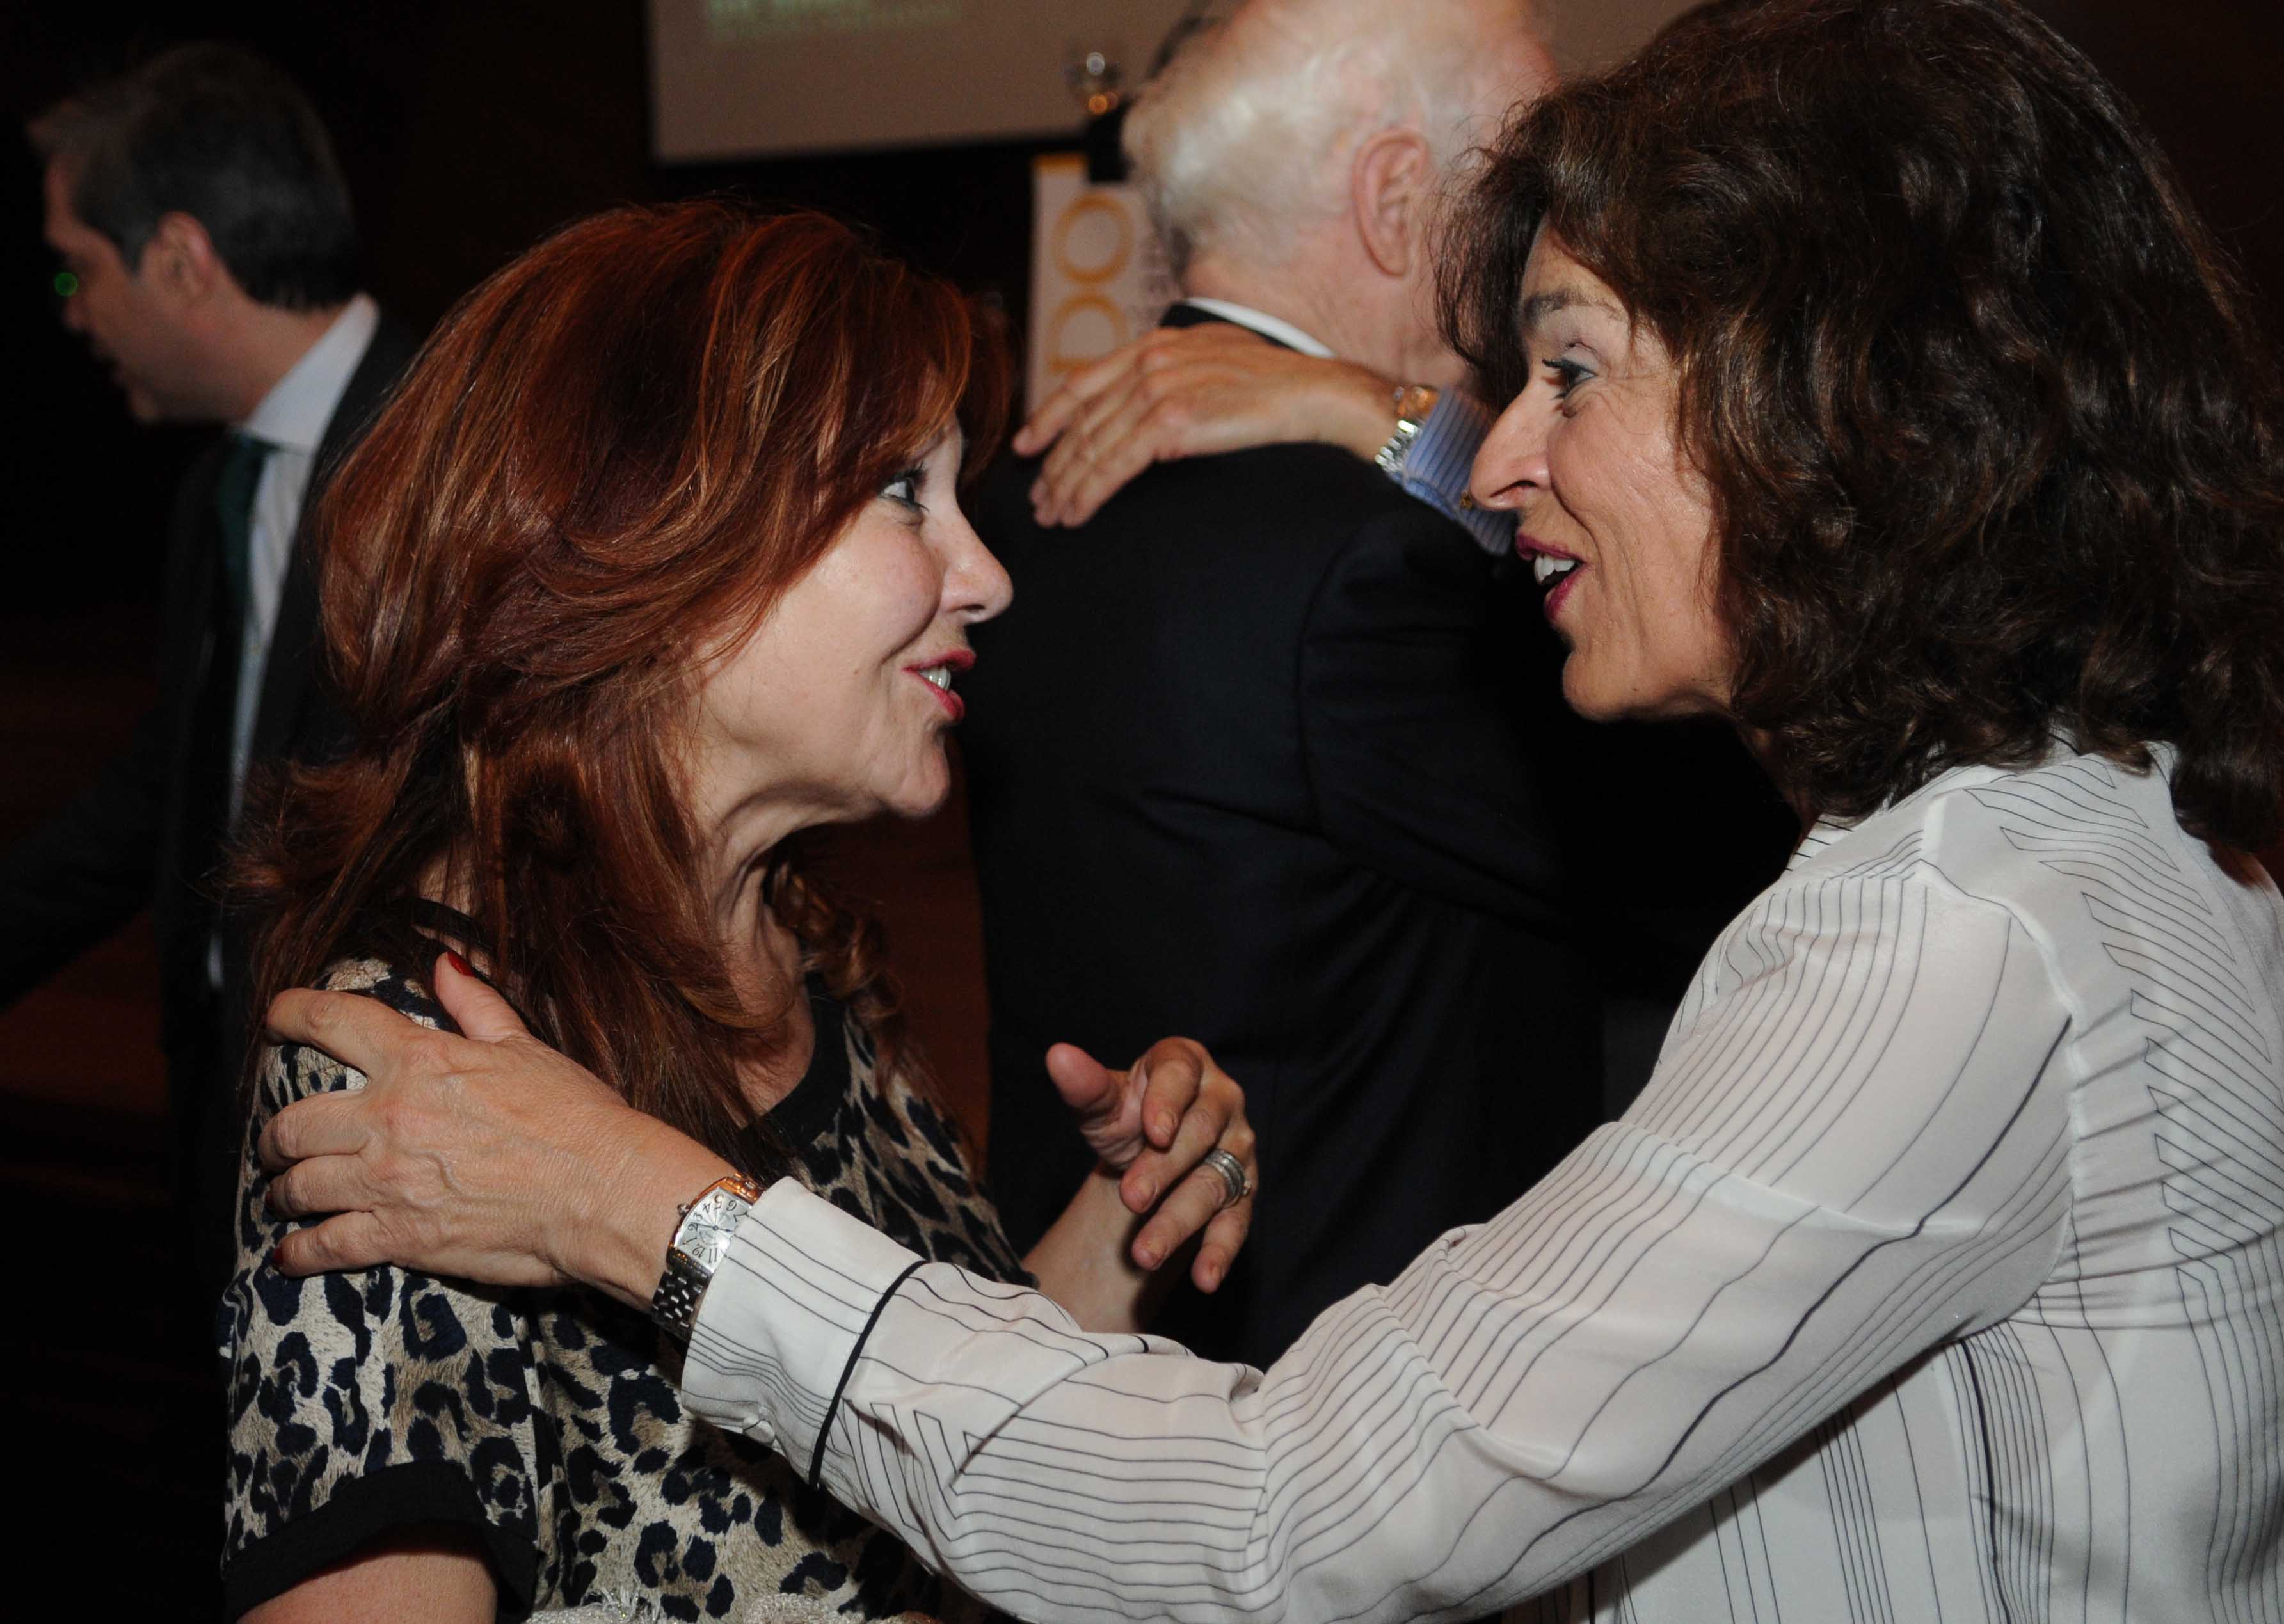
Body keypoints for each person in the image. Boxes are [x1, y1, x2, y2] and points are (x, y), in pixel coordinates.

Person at [255, 0, 2284, 1616]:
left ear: (1836, 403)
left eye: (1569, 373)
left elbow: (1297, 1502)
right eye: (898, 494)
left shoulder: (1943, 926)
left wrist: (654, 1213)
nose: (1502, 458)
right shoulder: (446, 1044)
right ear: (657, 549)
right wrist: (1092, 1247)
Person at [218, 203, 1259, 1622]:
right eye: (903, 489)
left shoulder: (797, 946)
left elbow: (922, 1438)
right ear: (658, 534)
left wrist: (1129, 1218)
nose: (989, 574)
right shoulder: (411, 1072)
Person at [962, 0, 1602, 1365]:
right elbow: (1681, 864)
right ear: (1395, 201)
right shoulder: (1370, 562)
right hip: (1356, 1384)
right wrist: (1409, 426)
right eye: (1524, 184)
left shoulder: (1017, 492)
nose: (1553, 231)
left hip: (1084, 1325)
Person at [2, 44, 417, 1316]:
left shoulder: (453, 455)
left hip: (394, 1180)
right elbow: (174, 789)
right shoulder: (216, 489)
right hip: (234, 1144)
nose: (71, 310)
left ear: (181, 260)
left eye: (77, 268)